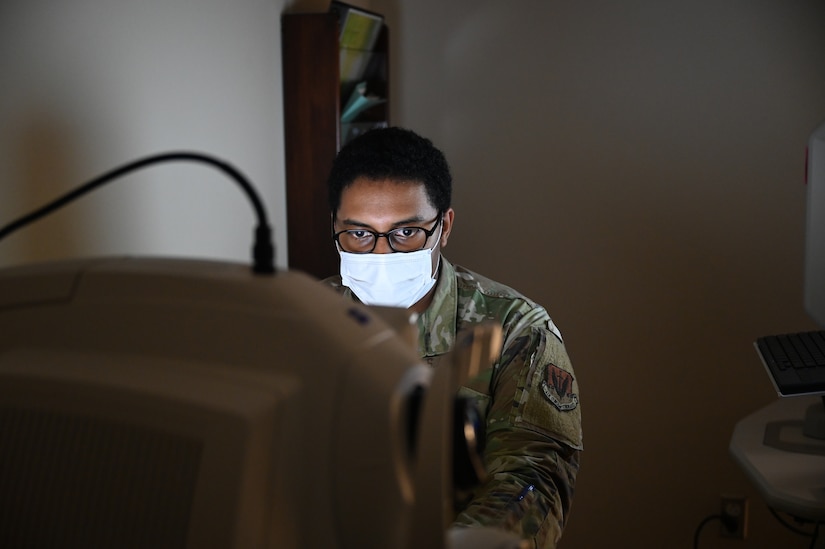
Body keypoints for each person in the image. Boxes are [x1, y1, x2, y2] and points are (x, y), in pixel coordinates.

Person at [323, 127, 582, 549]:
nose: (382, 255)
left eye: (406, 232)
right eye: (360, 233)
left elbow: (534, 479)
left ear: (443, 226)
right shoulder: (306, 318)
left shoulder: (516, 329)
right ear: (334, 227)